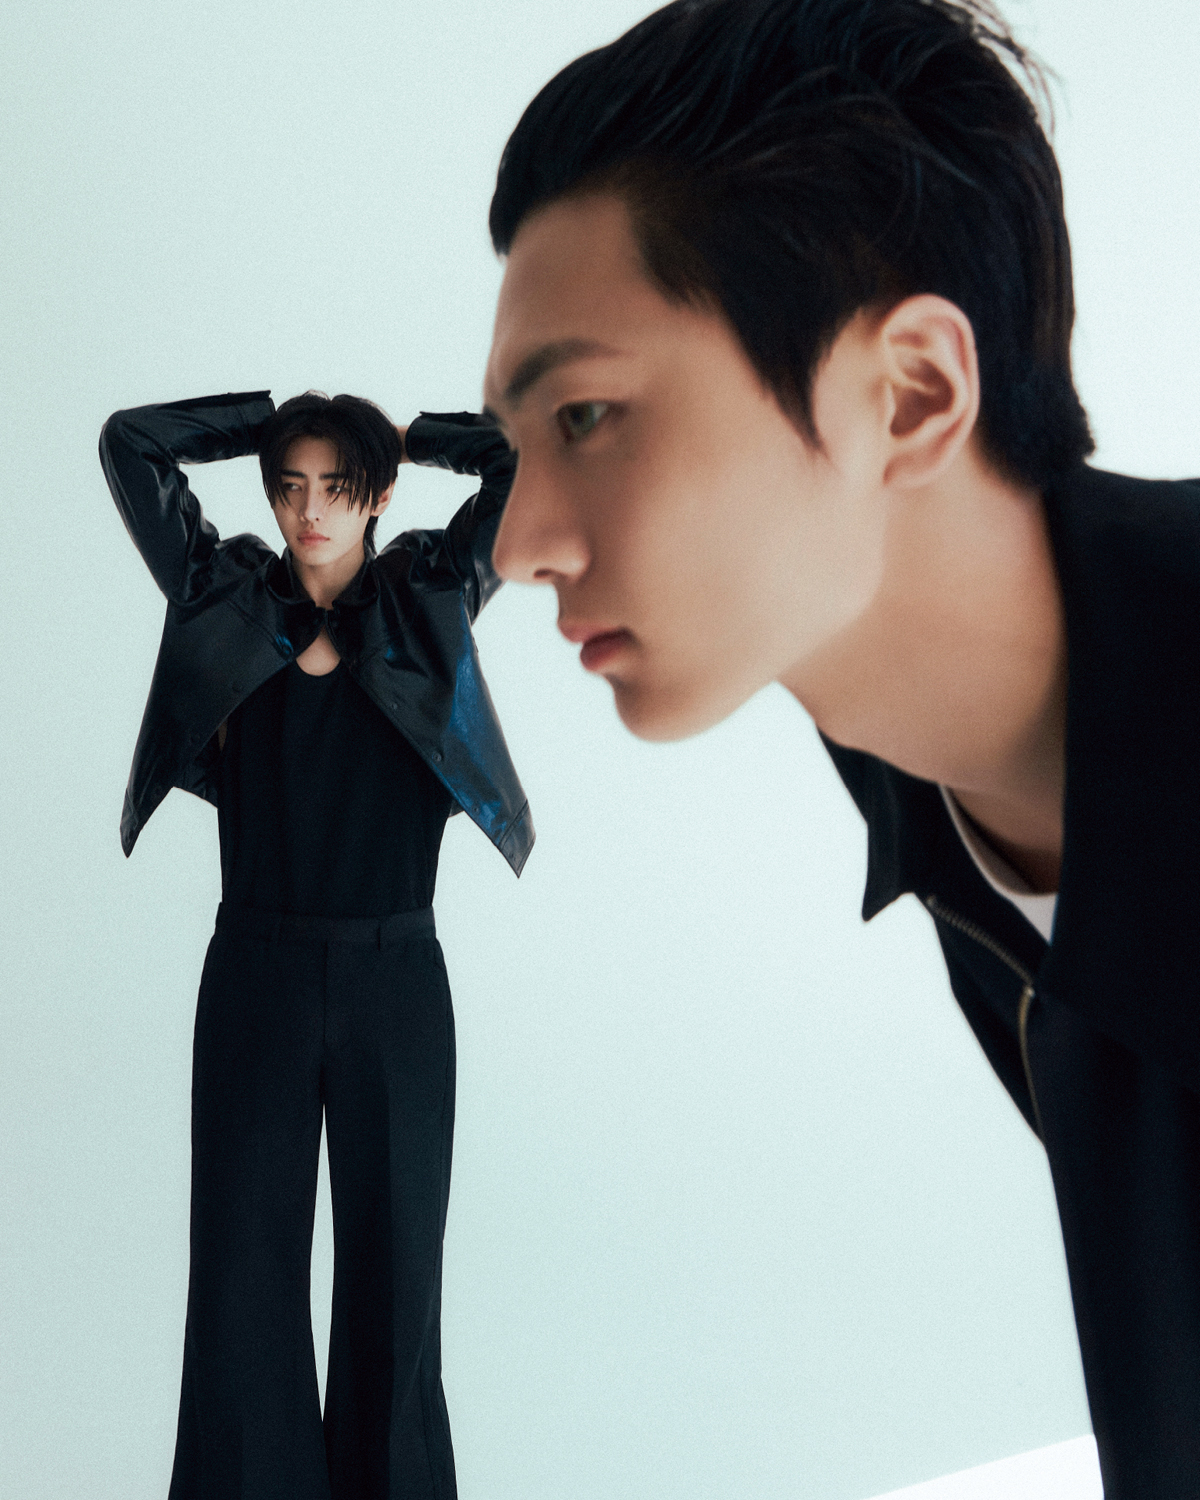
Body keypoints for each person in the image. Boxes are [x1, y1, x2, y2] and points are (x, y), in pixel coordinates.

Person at [480, 0, 1200, 1492]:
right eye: (518, 448)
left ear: (912, 393)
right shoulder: (934, 781)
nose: (519, 541)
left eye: (589, 415)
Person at [99, 390, 531, 1500]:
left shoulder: (431, 595)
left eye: (338, 487)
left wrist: (407, 438)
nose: (309, 510)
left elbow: (521, 466)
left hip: (397, 979)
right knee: (240, 1282)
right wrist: (266, 423)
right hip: (258, 974)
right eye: (289, 486)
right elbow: (131, 443)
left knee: (397, 1286)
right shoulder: (222, 594)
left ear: (378, 498)